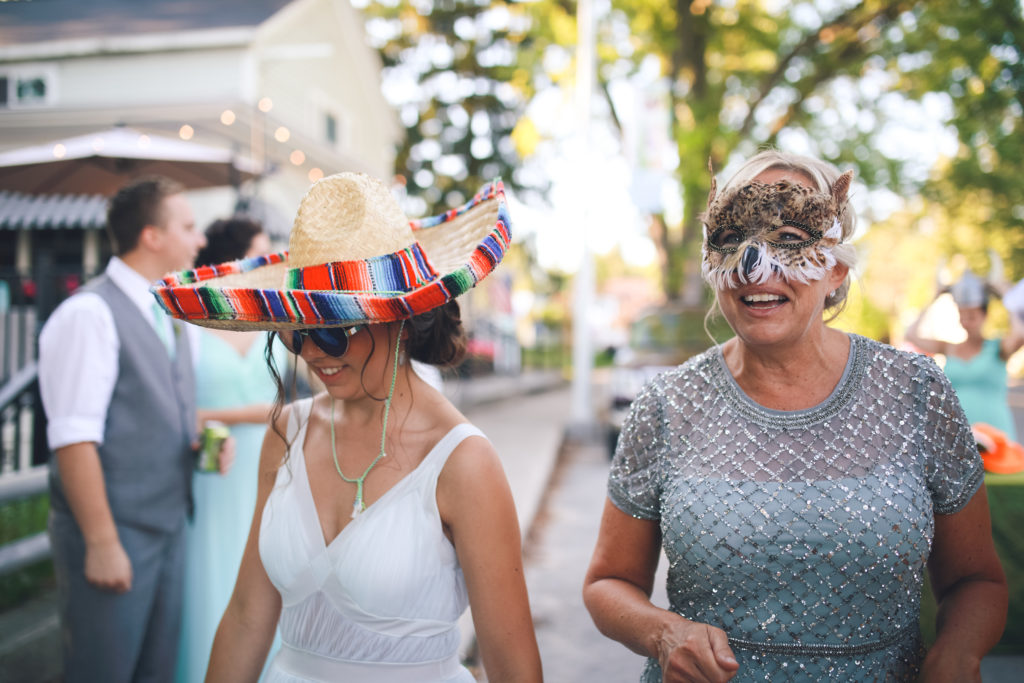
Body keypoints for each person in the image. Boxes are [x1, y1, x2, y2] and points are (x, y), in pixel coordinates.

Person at [583, 150, 1007, 682]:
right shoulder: (667, 404)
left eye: (789, 238)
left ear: (835, 268)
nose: (755, 265)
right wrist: (663, 632)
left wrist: (957, 652)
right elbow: (607, 582)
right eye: (733, 238)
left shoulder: (916, 392)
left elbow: (976, 581)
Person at [153, 172, 542, 682]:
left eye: (336, 331)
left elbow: (514, 666)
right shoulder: (286, 434)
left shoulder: (462, 461)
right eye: (296, 331)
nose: (313, 352)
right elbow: (249, 614)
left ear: (397, 318)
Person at [39, 175, 231, 682]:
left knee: (155, 672)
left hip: (170, 526)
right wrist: (102, 542)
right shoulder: (89, 314)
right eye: (188, 227)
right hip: (115, 533)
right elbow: (73, 437)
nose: (200, 240)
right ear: (152, 236)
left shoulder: (169, 313)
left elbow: (152, 409)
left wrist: (199, 442)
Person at [174, 216, 284, 683]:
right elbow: (178, 410)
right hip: (212, 470)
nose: (267, 261)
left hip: (271, 469)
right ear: (231, 259)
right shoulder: (186, 326)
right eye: (259, 251)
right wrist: (246, 414)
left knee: (270, 576)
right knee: (210, 580)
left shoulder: (269, 320)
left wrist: (232, 413)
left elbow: (290, 404)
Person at [905, 269, 1024, 441]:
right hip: (957, 436)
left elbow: (1021, 332)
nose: (966, 322)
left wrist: (1005, 295)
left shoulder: (999, 348)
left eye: (972, 316)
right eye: (963, 315)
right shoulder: (949, 348)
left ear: (985, 315)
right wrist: (936, 296)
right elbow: (911, 334)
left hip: (997, 435)